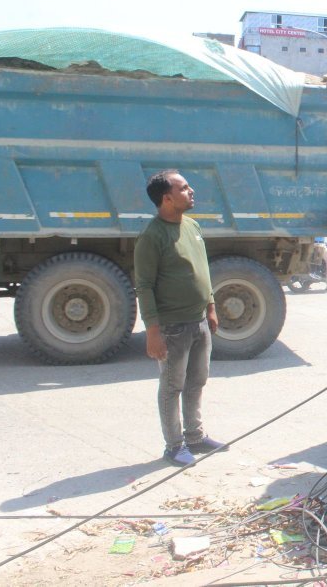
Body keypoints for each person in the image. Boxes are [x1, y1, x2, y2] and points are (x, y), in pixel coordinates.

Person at [134, 170, 226, 467]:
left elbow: (203, 268)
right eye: (184, 188)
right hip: (172, 326)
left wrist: (210, 305)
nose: (191, 191)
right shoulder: (152, 236)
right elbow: (144, 285)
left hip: (199, 320)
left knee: (197, 381)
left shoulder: (193, 227)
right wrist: (152, 331)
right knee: (172, 386)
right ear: (167, 198)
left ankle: (195, 437)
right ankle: (174, 446)